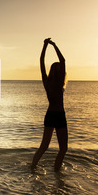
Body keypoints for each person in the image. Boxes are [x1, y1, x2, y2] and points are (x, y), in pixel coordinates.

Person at [31, 38, 68, 171]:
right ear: (56, 71)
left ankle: (41, 169)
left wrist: (46, 46)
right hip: (56, 115)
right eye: (58, 68)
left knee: (53, 147)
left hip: (53, 115)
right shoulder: (55, 83)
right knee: (58, 148)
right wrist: (52, 45)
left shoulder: (50, 83)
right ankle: (52, 171)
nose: (60, 70)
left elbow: (43, 62)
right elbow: (61, 61)